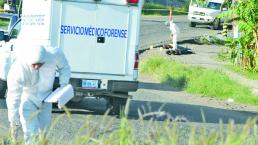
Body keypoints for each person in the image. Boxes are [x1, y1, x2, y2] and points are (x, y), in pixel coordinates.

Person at [6, 44, 71, 144]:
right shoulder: (18, 69)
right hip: (28, 99)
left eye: (40, 64)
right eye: (34, 64)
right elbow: (13, 96)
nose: (36, 67)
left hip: (47, 98)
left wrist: (63, 85)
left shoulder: (54, 54)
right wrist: (14, 120)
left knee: (44, 133)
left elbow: (64, 67)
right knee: (32, 133)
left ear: (45, 58)